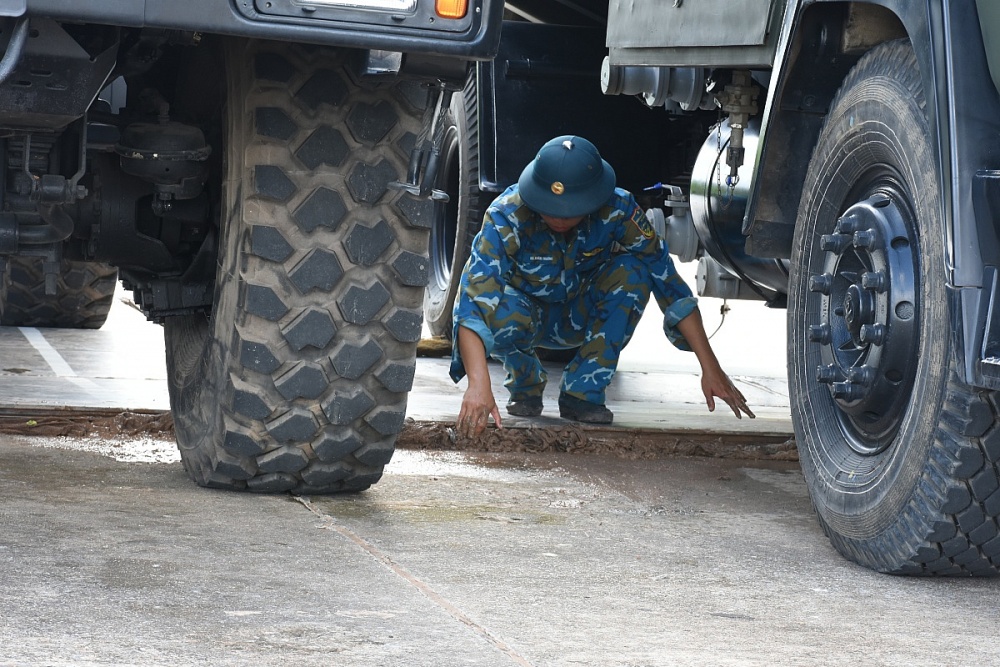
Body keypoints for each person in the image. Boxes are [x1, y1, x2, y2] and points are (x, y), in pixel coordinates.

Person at [449, 135, 754, 438]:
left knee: (634, 272)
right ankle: (525, 378)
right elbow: (472, 303)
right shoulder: (506, 215)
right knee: (494, 306)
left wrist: (710, 367)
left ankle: (583, 392)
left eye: (569, 209)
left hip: (581, 315)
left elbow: (670, 286)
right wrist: (478, 384)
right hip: (524, 316)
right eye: (549, 206)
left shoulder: (618, 210)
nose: (558, 217)